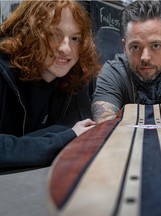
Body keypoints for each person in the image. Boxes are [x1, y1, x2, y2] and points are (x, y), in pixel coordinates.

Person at [0, 0, 102, 169]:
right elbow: (71, 133)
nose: (66, 49)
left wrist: (19, 146)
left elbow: (80, 128)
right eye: (54, 34)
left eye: (75, 38)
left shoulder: (76, 76)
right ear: (29, 34)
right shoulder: (3, 72)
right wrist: (61, 139)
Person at [91, 0, 161, 123]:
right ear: (124, 47)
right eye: (135, 47)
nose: (145, 57)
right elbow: (105, 131)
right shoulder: (113, 72)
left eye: (155, 46)